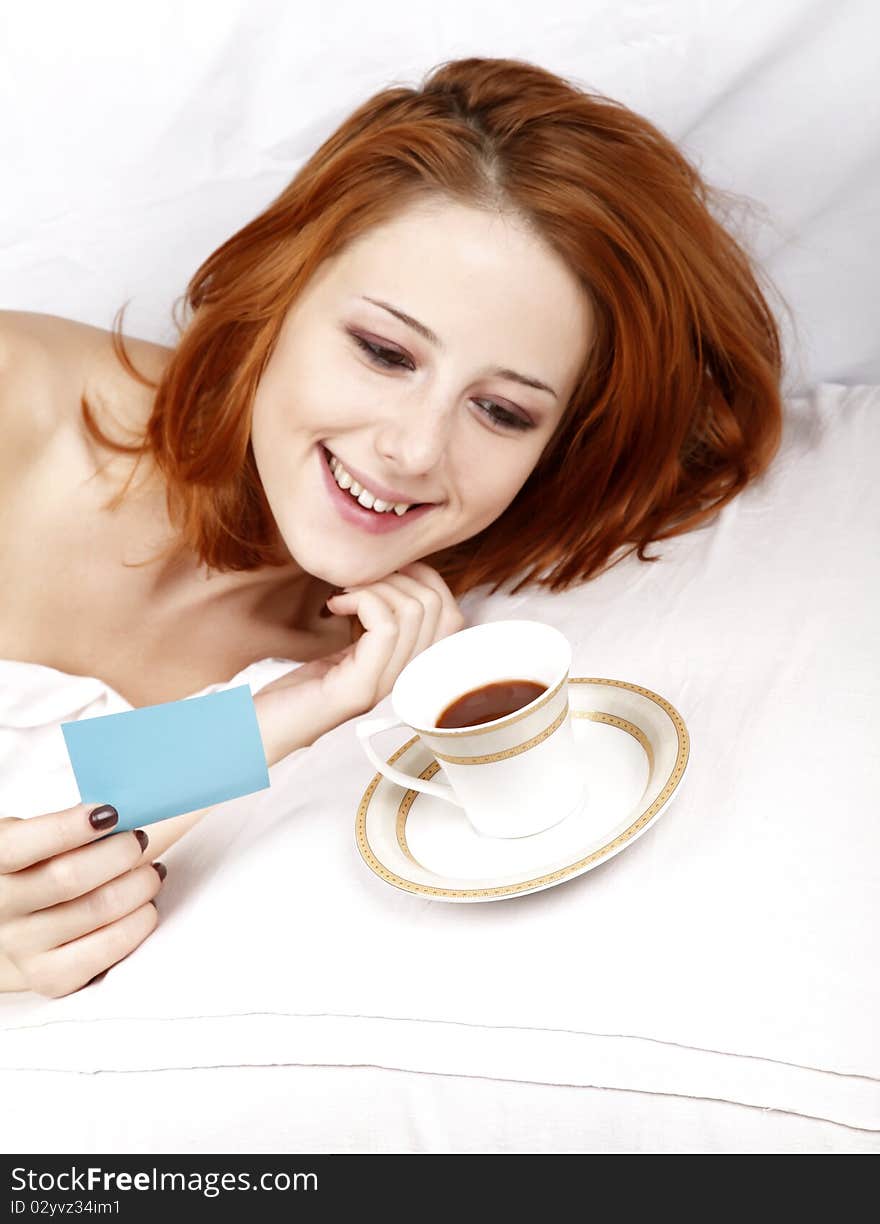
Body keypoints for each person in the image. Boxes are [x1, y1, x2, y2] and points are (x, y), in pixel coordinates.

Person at [0, 55, 785, 998]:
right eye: (383, 352)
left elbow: (62, 800)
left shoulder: (359, 654)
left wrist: (303, 709)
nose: (415, 449)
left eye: (502, 412)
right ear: (276, 292)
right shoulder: (17, 405)